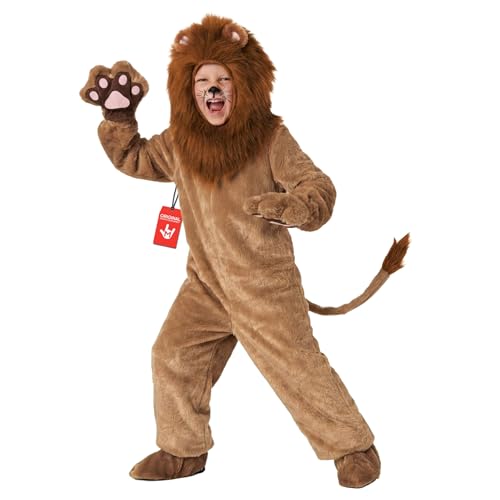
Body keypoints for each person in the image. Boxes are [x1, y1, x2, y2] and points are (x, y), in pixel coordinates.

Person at [80, 14, 385, 488]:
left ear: (243, 85)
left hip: (265, 288)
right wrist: (119, 120)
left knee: (297, 367)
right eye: (203, 81)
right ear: (189, 90)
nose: (213, 88)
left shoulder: (269, 137)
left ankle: (353, 449)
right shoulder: (180, 142)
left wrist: (297, 206)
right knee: (172, 355)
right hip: (205, 285)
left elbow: (317, 185)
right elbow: (135, 157)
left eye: (223, 79)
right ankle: (183, 452)